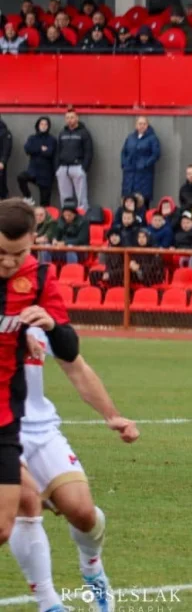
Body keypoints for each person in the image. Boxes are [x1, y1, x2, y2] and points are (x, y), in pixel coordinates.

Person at [7, 325, 138, 612]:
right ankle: (49, 604)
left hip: (41, 429)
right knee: (25, 500)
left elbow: (75, 367)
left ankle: (92, 569)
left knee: (82, 513)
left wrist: (112, 415)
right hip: (4, 429)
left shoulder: (36, 308)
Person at [0, 199, 78, 550]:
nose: (8, 262)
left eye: (17, 254)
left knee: (4, 526)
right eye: (1, 252)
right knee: (29, 500)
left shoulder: (39, 278)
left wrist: (50, 327)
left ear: (33, 240)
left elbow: (70, 350)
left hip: (6, 416)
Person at [55, 110, 92, 208]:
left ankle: (82, 215)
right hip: (63, 168)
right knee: (64, 197)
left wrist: (84, 168)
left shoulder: (84, 133)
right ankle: (66, 215)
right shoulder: (62, 133)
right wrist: (57, 168)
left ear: (77, 118)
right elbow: (57, 151)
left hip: (77, 167)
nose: (69, 120)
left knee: (81, 197)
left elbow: (88, 151)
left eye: (72, 117)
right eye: (67, 118)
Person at [119, 115, 160, 203]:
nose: (142, 126)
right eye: (140, 124)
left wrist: (145, 164)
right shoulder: (130, 137)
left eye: (144, 124)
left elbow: (156, 154)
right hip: (129, 174)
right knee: (128, 200)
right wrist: (124, 164)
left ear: (147, 125)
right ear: (136, 125)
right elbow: (124, 151)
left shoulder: (152, 138)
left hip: (144, 175)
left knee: (142, 201)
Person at [22, 118, 55, 207]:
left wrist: (36, 149)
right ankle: (28, 197)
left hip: (46, 175)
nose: (43, 126)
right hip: (33, 172)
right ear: (38, 125)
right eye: (41, 124)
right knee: (21, 177)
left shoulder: (51, 139)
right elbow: (27, 149)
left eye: (46, 124)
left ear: (48, 126)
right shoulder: (32, 138)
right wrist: (41, 148)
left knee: (44, 204)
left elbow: (49, 153)